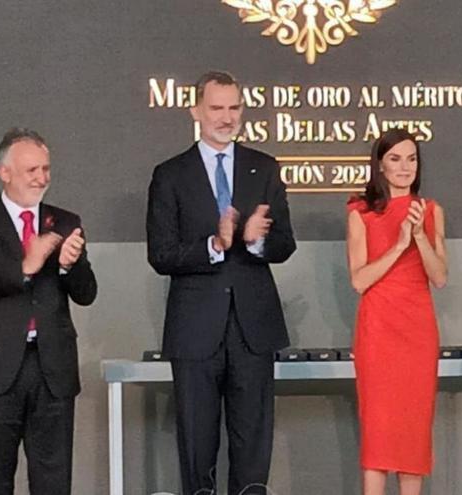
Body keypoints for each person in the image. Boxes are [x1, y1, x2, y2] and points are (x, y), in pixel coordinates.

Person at [146, 71, 296, 495]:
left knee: (253, 452)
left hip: (254, 328)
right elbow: (160, 254)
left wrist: (256, 241)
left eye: (234, 108)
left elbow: (285, 242)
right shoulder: (170, 174)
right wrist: (214, 244)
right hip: (195, 329)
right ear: (196, 111)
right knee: (197, 448)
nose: (226, 117)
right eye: (216, 108)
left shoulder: (263, 167)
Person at [0, 127, 98, 494]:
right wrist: (24, 266)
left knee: (53, 480)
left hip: (52, 369)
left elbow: (86, 294)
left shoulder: (65, 221)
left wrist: (69, 266)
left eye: (46, 169)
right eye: (32, 170)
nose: (42, 178)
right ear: (5, 173)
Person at [346, 129, 448, 495]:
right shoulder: (361, 212)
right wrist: (399, 243)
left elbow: (439, 277)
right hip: (378, 330)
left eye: (411, 158)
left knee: (413, 432)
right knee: (379, 434)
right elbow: (359, 280)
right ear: (380, 165)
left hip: (417, 331)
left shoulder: (432, 211)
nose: (404, 167)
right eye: (395, 159)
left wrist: (418, 236)